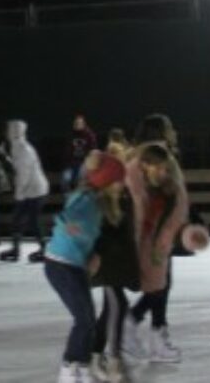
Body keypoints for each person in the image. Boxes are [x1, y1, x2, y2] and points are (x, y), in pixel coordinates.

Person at [122, 119, 201, 365]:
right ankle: (140, 328)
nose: (174, 132)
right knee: (160, 286)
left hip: (148, 232)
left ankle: (148, 331)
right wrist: (163, 238)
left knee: (159, 285)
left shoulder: (135, 158)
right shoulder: (160, 157)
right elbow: (175, 200)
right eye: (170, 129)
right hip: (156, 233)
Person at [44, 151, 125, 383]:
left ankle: (81, 366)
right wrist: (67, 224)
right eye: (118, 180)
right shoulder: (86, 199)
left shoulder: (100, 203)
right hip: (60, 265)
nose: (121, 185)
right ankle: (69, 368)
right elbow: (66, 216)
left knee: (87, 319)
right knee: (84, 319)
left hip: (74, 265)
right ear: (107, 181)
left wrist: (94, 253)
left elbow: (97, 235)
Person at [88, 148, 139, 383]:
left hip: (116, 266)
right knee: (117, 305)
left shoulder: (120, 200)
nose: (122, 184)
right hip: (107, 268)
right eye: (117, 180)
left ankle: (96, 355)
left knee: (112, 309)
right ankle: (112, 358)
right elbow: (98, 239)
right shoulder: (99, 205)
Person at [0, 119, 50, 263]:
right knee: (18, 219)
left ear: (14, 133)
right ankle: (16, 249)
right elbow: (18, 167)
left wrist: (19, 195)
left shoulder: (24, 149)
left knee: (32, 221)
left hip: (36, 190)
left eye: (8, 130)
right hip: (30, 190)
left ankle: (43, 249)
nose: (6, 133)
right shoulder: (17, 147)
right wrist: (5, 158)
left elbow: (24, 175)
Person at [65, 114, 98, 190]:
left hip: (85, 162)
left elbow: (93, 150)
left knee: (80, 175)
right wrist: (68, 163)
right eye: (76, 124)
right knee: (65, 179)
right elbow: (68, 151)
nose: (77, 125)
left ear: (83, 124)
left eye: (79, 123)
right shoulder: (71, 135)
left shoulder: (89, 135)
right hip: (73, 162)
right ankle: (70, 199)